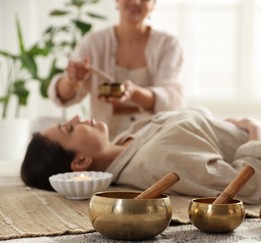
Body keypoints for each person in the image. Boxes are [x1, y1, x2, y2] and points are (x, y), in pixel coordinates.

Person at [21, 108, 261, 204]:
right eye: (69, 129)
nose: (74, 118)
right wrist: (256, 132)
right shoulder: (154, 162)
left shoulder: (131, 139)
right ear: (81, 163)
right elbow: (244, 187)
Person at [48, 0, 185, 140]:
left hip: (152, 137)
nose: (136, 2)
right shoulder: (93, 43)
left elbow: (170, 98)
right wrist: (71, 80)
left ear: (153, 5)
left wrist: (133, 92)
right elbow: (61, 96)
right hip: (103, 138)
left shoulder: (168, 44)